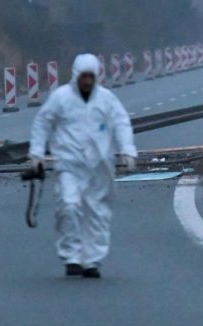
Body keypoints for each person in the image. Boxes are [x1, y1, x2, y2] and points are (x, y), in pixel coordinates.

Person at [29, 53, 137, 278]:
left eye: (91, 77)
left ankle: (93, 261)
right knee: (69, 206)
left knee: (96, 213)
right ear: (76, 76)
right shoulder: (61, 98)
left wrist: (127, 150)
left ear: (96, 76)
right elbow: (42, 123)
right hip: (69, 164)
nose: (87, 81)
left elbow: (121, 123)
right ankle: (72, 256)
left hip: (99, 167)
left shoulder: (106, 99)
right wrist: (37, 153)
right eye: (83, 77)